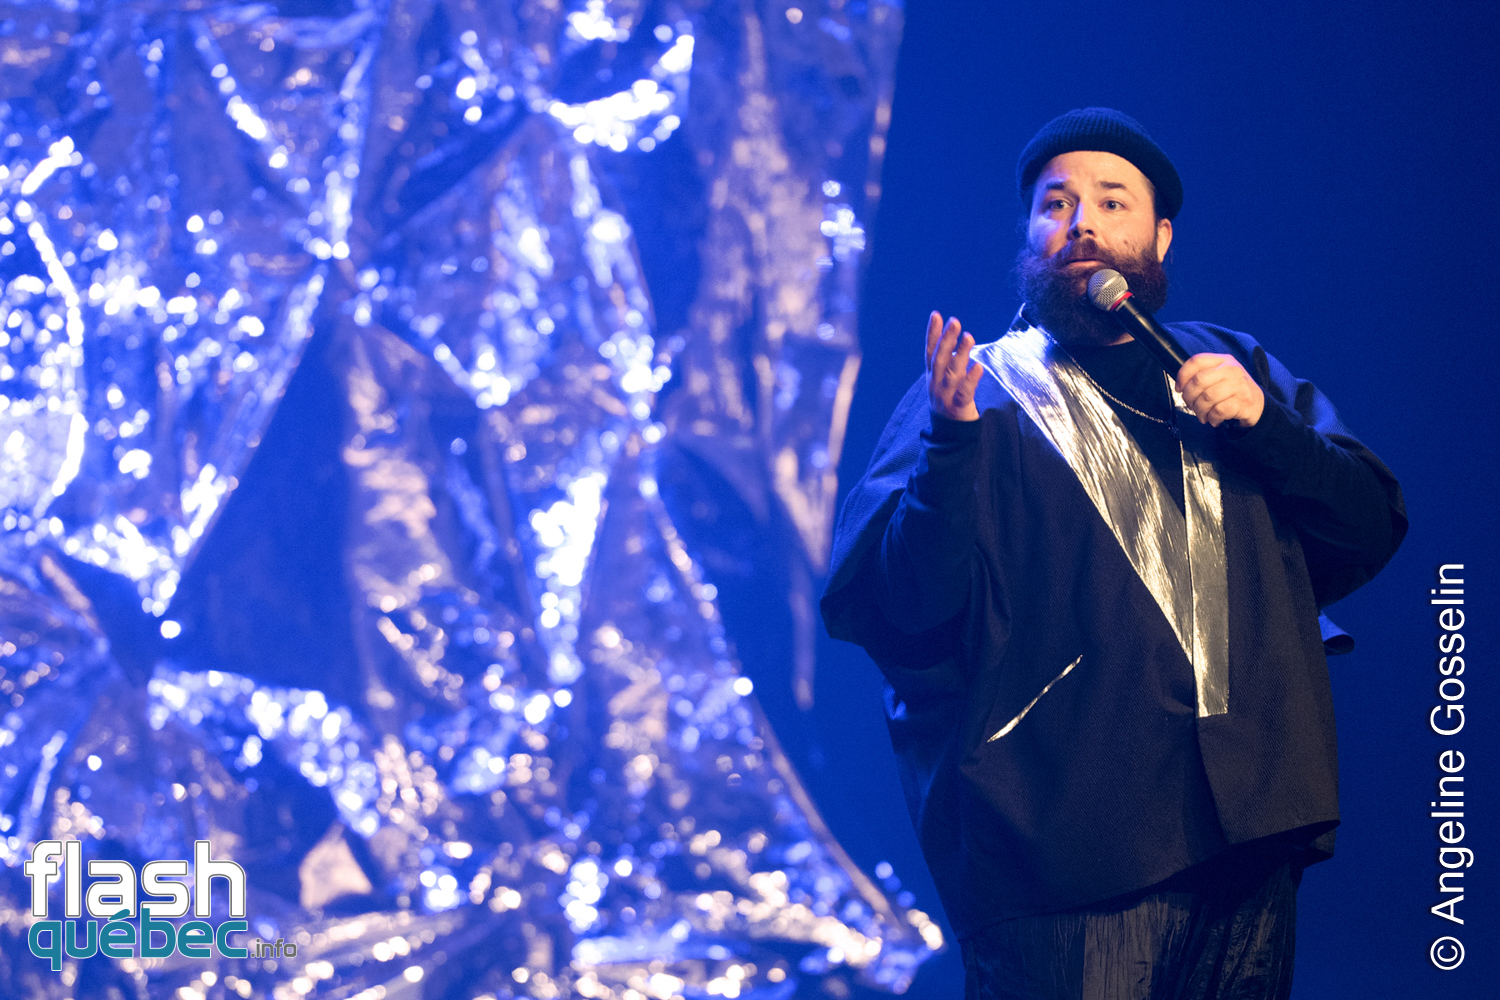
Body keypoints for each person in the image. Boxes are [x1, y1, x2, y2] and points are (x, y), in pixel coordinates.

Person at [820, 108, 1407, 998]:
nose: (1082, 224)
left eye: (1111, 202)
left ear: (1160, 237)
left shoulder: (1234, 368)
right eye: (1055, 205)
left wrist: (1268, 427)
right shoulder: (981, 392)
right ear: (1029, 234)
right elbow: (903, 614)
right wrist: (949, 447)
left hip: (1250, 826)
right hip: (1065, 843)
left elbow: (1368, 526)